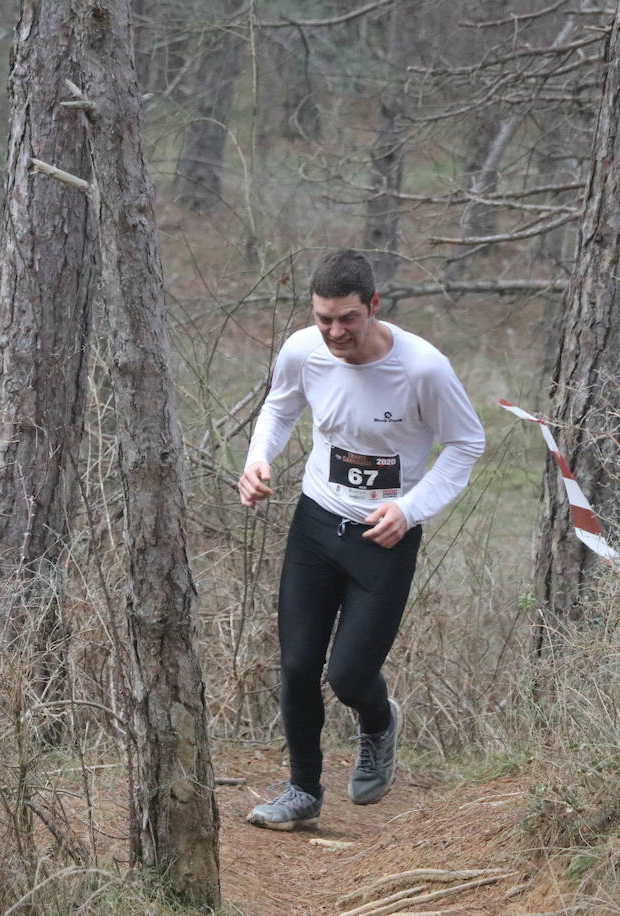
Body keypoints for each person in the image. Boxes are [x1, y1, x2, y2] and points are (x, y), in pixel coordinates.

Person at [238, 249, 486, 830]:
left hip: (385, 537)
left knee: (347, 676)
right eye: (324, 318)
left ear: (374, 306)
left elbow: (467, 444)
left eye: (347, 318)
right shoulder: (304, 349)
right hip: (317, 521)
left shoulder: (423, 369)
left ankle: (378, 722)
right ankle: (302, 790)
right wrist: (256, 461)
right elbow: (279, 408)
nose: (334, 332)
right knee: (298, 664)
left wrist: (411, 507)